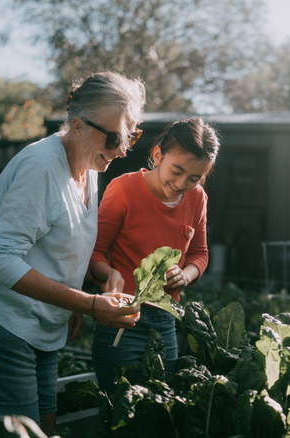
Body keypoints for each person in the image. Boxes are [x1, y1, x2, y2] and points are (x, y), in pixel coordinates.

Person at [0, 71, 145, 434]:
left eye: (130, 136)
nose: (122, 149)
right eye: (114, 137)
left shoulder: (90, 164)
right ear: (77, 125)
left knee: (45, 430)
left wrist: (99, 277)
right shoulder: (42, 167)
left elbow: (58, 242)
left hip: (36, 325)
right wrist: (87, 304)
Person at [88, 117, 221, 391]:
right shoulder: (123, 189)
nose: (182, 183)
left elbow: (200, 254)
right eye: (177, 171)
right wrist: (109, 273)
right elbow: (95, 251)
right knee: (119, 408)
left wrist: (185, 275)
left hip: (165, 319)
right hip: (121, 317)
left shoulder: (198, 198)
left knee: (159, 407)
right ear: (158, 154)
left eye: (194, 178)